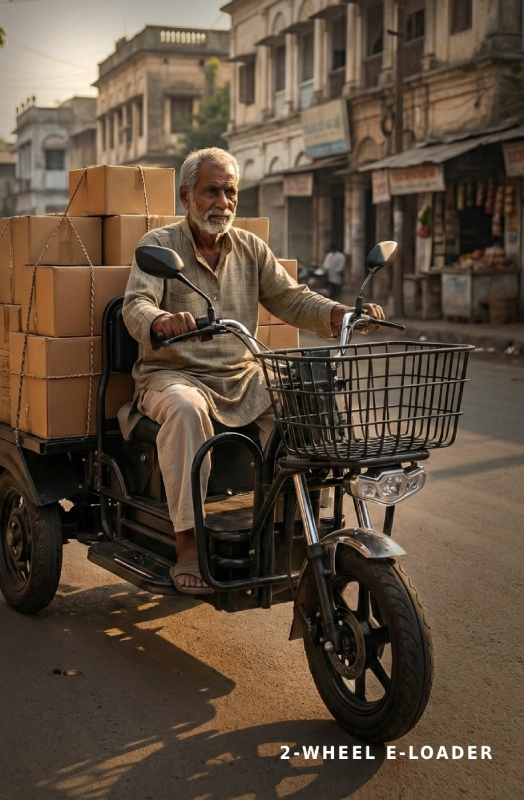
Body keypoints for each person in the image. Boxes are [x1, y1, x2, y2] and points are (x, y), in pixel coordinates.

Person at [121, 147, 384, 594]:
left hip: (242, 374)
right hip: (174, 375)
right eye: (210, 192)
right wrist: (160, 321)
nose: (222, 202)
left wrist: (342, 313)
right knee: (185, 412)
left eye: (230, 192)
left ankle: (286, 527)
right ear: (186, 196)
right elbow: (135, 305)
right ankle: (188, 544)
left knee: (302, 404)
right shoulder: (159, 246)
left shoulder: (251, 248)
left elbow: (293, 298)